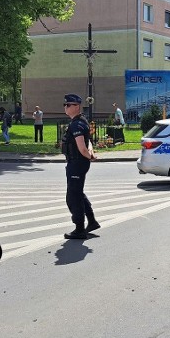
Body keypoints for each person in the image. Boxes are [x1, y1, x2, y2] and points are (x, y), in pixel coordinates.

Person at [60, 93, 98, 240]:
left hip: (76, 163)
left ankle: (80, 229)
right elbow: (89, 143)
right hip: (78, 163)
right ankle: (92, 221)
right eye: (65, 105)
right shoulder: (82, 121)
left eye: (68, 105)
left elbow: (82, 148)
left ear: (76, 106)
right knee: (78, 193)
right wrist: (91, 155)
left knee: (73, 196)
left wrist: (90, 156)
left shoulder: (76, 124)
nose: (65, 107)